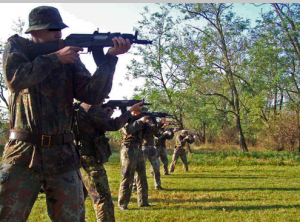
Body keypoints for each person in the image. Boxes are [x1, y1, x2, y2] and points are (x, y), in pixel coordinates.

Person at [0, 6, 131, 221]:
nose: (57, 32)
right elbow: (15, 79)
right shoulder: (18, 47)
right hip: (23, 154)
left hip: (63, 156)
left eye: (59, 28)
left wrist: (109, 60)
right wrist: (54, 58)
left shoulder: (70, 58)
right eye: (51, 29)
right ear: (33, 32)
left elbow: (93, 95)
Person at [74, 100, 143, 222]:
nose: (103, 99)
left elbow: (94, 126)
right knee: (102, 198)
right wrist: (129, 111)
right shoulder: (91, 106)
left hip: (79, 155)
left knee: (80, 196)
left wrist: (105, 114)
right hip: (90, 158)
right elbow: (114, 125)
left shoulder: (79, 106)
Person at [118, 108, 153, 211]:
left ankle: (143, 202)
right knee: (128, 177)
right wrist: (140, 121)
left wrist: (160, 124)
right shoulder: (126, 118)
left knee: (142, 177)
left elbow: (150, 132)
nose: (142, 113)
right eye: (140, 111)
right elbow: (127, 130)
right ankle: (123, 204)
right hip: (128, 150)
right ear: (134, 111)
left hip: (139, 149)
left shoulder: (141, 122)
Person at [140, 117, 165, 190]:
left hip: (151, 148)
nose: (150, 121)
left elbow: (158, 135)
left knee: (156, 167)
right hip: (143, 147)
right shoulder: (141, 125)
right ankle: (135, 186)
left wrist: (160, 127)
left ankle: (158, 185)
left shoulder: (151, 127)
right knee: (140, 168)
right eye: (149, 120)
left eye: (150, 120)